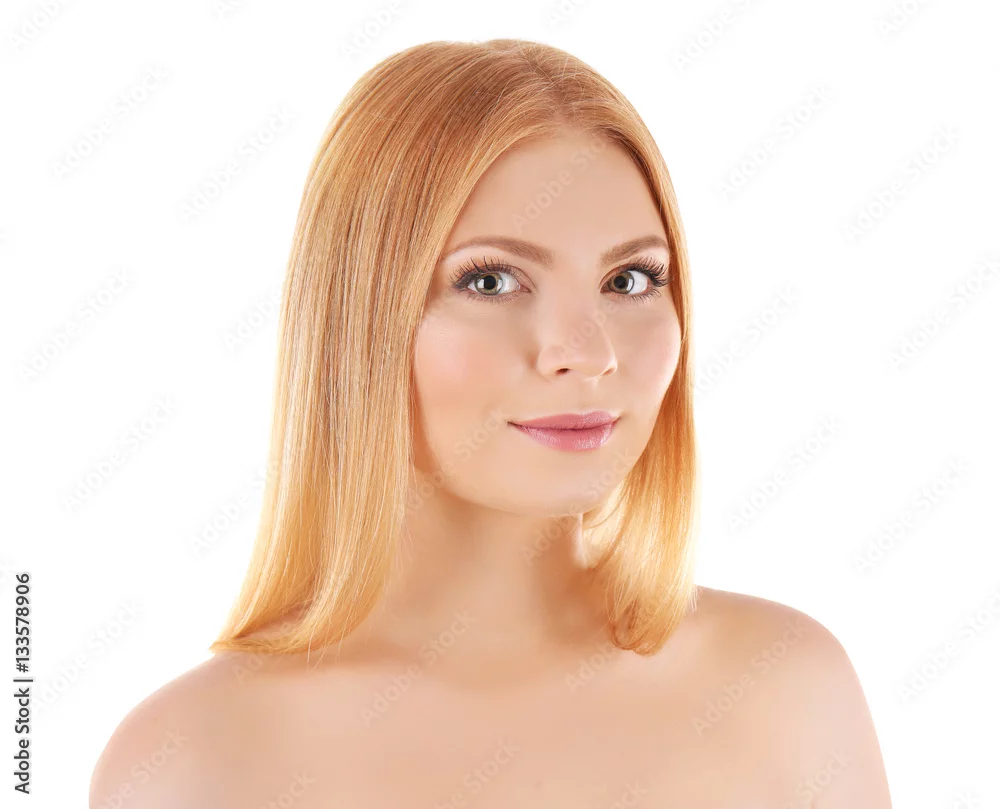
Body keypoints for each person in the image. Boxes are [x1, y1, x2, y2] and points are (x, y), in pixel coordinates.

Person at [89, 38, 892, 808]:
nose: (587, 352)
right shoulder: (193, 760)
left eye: (629, 279)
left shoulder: (785, 689)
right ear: (357, 318)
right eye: (491, 281)